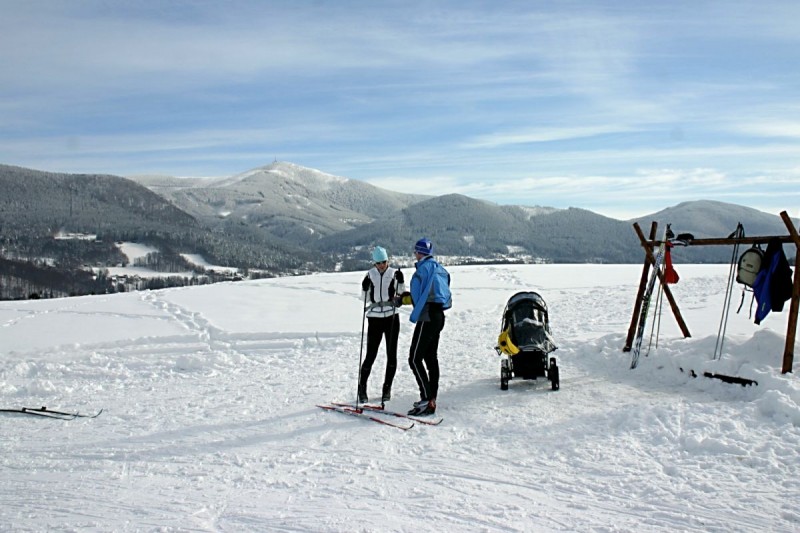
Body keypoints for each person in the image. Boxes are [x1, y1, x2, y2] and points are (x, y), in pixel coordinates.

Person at [401, 238, 451, 416]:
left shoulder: (421, 270)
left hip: (427, 316)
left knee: (414, 358)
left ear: (419, 252)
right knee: (431, 358)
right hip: (439, 316)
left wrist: (402, 299)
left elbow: (416, 297)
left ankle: (427, 399)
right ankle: (432, 398)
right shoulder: (441, 269)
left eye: (415, 251)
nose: (415, 254)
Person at [359, 246, 405, 404]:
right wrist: (364, 288)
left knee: (391, 354)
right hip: (374, 317)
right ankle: (362, 387)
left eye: (384, 262)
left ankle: (387, 388)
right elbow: (364, 298)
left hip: (392, 316)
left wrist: (401, 281)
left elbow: (400, 294)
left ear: (387, 260)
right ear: (374, 263)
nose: (381, 265)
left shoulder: (393, 273)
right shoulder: (369, 275)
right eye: (378, 263)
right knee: (371, 354)